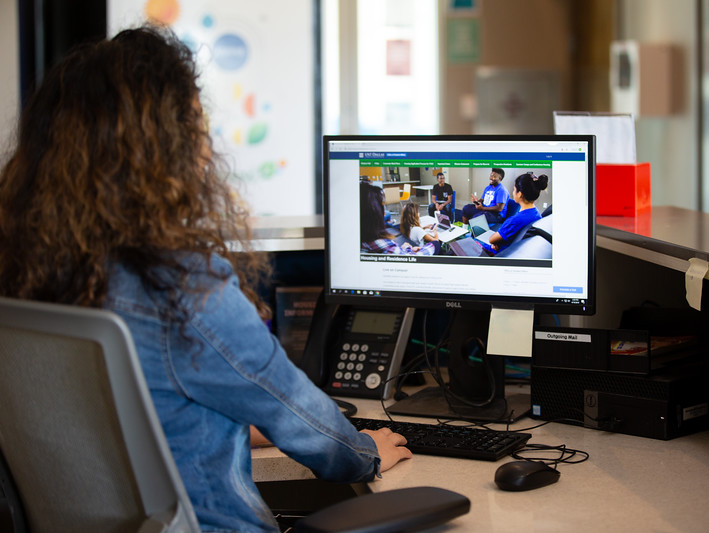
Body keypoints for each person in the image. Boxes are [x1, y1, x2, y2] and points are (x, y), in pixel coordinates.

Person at [0, 26, 411, 532]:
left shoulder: (24, 274)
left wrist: (243, 423)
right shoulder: (181, 291)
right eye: (197, 128)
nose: (206, 148)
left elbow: (126, 424)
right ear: (166, 154)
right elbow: (297, 415)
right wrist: (366, 452)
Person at [361, 182, 439, 255]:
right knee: (436, 244)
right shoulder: (383, 244)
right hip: (418, 251)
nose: (384, 213)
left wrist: (406, 248)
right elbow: (412, 257)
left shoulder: (364, 242)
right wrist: (435, 231)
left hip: (408, 246)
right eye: (382, 208)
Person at [484, 173, 549, 254]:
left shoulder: (515, 220)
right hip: (516, 248)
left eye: (514, 190)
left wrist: (495, 242)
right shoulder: (536, 213)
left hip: (501, 252)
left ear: (520, 194)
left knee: (475, 242)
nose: (513, 192)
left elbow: (491, 240)